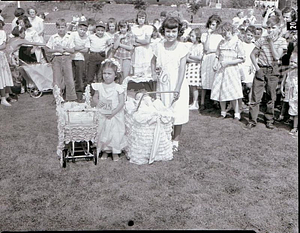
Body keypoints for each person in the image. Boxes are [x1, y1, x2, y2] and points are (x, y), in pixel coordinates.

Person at [151, 16, 189, 153]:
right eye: (168, 31)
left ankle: (175, 140)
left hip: (177, 84)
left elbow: (182, 70)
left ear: (178, 31)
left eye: (174, 32)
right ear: (163, 31)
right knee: (164, 111)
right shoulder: (159, 46)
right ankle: (165, 136)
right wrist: (155, 72)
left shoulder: (182, 48)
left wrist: (177, 89)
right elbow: (153, 61)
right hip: (163, 83)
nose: (170, 35)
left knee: (177, 112)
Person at [245, 15, 288, 130]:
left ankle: (269, 120)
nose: (270, 30)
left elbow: (277, 56)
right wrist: (257, 68)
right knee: (255, 96)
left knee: (271, 96)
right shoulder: (262, 39)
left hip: (273, 70)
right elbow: (252, 54)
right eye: (268, 28)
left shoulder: (282, 41)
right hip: (261, 69)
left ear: (279, 28)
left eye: (273, 28)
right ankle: (252, 120)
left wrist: (270, 42)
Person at [91, 58, 127, 161]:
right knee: (103, 131)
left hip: (115, 114)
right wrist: (102, 106)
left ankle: (115, 151)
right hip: (103, 112)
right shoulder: (99, 86)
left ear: (115, 75)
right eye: (104, 73)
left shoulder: (118, 87)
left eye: (109, 73)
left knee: (115, 132)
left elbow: (121, 102)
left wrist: (113, 112)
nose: (106, 76)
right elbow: (95, 98)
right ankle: (105, 150)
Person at [210, 22, 245, 120]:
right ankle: (223, 112)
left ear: (230, 31)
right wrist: (215, 63)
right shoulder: (221, 43)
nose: (224, 36)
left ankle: (237, 113)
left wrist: (228, 62)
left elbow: (242, 58)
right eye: (222, 34)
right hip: (221, 70)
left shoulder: (237, 42)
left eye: (226, 33)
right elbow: (217, 55)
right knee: (221, 90)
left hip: (232, 70)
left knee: (233, 91)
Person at [46, 18, 77, 101]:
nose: (61, 29)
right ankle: (58, 98)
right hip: (57, 58)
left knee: (69, 78)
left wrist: (64, 48)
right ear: (56, 28)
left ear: (66, 27)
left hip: (67, 58)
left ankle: (71, 98)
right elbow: (48, 50)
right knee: (57, 79)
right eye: (59, 27)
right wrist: (56, 50)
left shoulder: (69, 37)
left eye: (62, 27)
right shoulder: (53, 37)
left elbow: (72, 50)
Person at [200, 14, 223, 110]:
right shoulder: (204, 35)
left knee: (215, 79)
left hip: (214, 58)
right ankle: (202, 102)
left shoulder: (220, 37)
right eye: (210, 24)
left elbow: (219, 49)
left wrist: (213, 51)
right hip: (206, 59)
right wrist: (209, 35)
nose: (211, 26)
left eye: (213, 25)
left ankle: (215, 101)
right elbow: (206, 48)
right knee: (205, 79)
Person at [85, 21, 110, 87]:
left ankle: (100, 90)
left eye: (102, 30)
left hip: (101, 56)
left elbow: (110, 43)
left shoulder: (106, 37)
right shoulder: (91, 37)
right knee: (90, 75)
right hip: (93, 56)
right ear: (95, 30)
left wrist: (106, 50)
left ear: (104, 31)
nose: (100, 32)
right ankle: (89, 91)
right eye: (98, 30)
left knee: (100, 75)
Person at [185, 28, 203, 110]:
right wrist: (191, 59)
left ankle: (196, 102)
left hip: (196, 68)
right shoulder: (191, 46)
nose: (191, 38)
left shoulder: (200, 46)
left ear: (197, 37)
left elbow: (200, 58)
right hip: (190, 67)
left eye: (193, 36)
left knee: (194, 85)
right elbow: (187, 58)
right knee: (191, 85)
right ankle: (193, 102)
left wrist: (191, 57)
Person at [239, 25, 256, 111]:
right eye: (248, 34)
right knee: (241, 85)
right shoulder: (241, 44)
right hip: (241, 66)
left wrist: (253, 66)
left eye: (251, 36)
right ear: (245, 34)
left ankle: (249, 102)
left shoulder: (253, 45)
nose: (249, 37)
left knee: (250, 85)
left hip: (250, 67)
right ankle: (240, 102)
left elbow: (255, 57)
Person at [70, 20, 89, 101]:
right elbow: (72, 47)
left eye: (84, 30)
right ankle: (70, 94)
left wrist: (77, 48)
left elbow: (86, 50)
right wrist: (81, 47)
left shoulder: (86, 37)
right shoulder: (73, 34)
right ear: (77, 28)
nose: (82, 31)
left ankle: (79, 94)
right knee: (71, 77)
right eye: (81, 29)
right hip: (71, 58)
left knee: (79, 77)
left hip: (80, 58)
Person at [131, 10, 153, 77]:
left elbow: (147, 41)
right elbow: (133, 42)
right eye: (139, 18)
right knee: (137, 72)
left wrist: (138, 40)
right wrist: (142, 42)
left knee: (146, 71)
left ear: (145, 19)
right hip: (137, 51)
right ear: (137, 18)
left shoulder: (148, 28)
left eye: (143, 18)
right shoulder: (134, 28)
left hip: (146, 50)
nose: (141, 20)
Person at [281, 49, 298, 136]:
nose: (292, 64)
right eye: (291, 62)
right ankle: (294, 127)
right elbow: (285, 78)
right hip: (293, 93)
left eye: (295, 62)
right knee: (295, 110)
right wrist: (282, 87)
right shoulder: (290, 71)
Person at [0, 20, 14, 107]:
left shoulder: (2, 33)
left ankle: (4, 97)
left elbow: (3, 46)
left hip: (0, 56)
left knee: (2, 77)